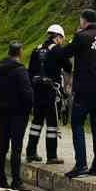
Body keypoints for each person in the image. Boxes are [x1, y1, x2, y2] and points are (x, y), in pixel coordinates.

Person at [53, 9, 96, 179]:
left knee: (77, 124)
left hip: (84, 90)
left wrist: (54, 46)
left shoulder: (81, 37)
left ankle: (81, 165)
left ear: (83, 21)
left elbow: (64, 53)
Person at [0, 41, 35, 191]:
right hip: (19, 113)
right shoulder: (20, 71)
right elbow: (27, 94)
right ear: (20, 52)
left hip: (3, 112)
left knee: (3, 145)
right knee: (16, 146)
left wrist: (1, 104)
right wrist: (29, 108)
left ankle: (1, 181)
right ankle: (16, 182)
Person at [25, 25, 69, 164]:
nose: (61, 41)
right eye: (61, 39)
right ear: (57, 37)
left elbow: (30, 72)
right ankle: (52, 156)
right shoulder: (57, 50)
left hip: (37, 91)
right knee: (52, 125)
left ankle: (30, 153)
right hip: (51, 92)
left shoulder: (36, 49)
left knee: (36, 122)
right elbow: (68, 66)